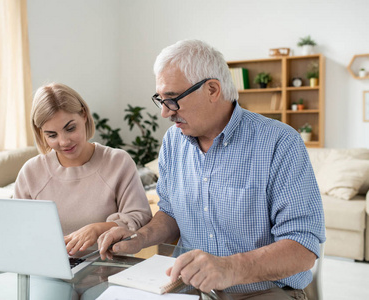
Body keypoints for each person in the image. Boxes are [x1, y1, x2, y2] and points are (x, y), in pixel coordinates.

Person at [98, 40, 326, 299]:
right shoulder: (173, 142)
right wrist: (139, 237)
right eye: (160, 100)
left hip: (263, 290)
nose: (164, 112)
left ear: (212, 89)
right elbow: (171, 212)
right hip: (188, 287)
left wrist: (230, 268)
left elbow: (303, 249)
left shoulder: (280, 142)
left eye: (172, 99)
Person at [14, 83, 152, 256]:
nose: (64, 142)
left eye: (70, 128)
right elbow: (19, 231)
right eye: (52, 135)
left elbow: (140, 217)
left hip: (108, 270)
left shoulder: (117, 161)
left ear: (84, 115)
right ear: (41, 133)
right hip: (49, 271)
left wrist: (97, 229)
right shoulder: (31, 172)